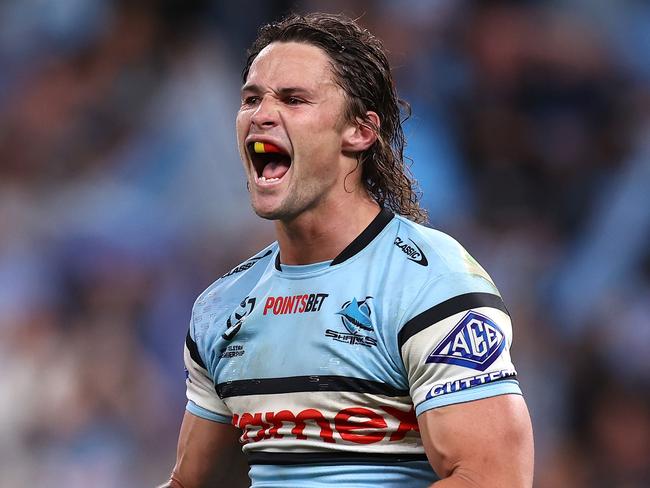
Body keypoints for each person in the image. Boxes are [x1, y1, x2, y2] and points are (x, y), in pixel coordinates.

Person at [159, 12, 534, 488]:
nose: (261, 114)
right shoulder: (222, 308)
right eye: (251, 99)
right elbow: (195, 483)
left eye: (293, 99)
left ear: (359, 130)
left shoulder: (432, 286)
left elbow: (493, 478)